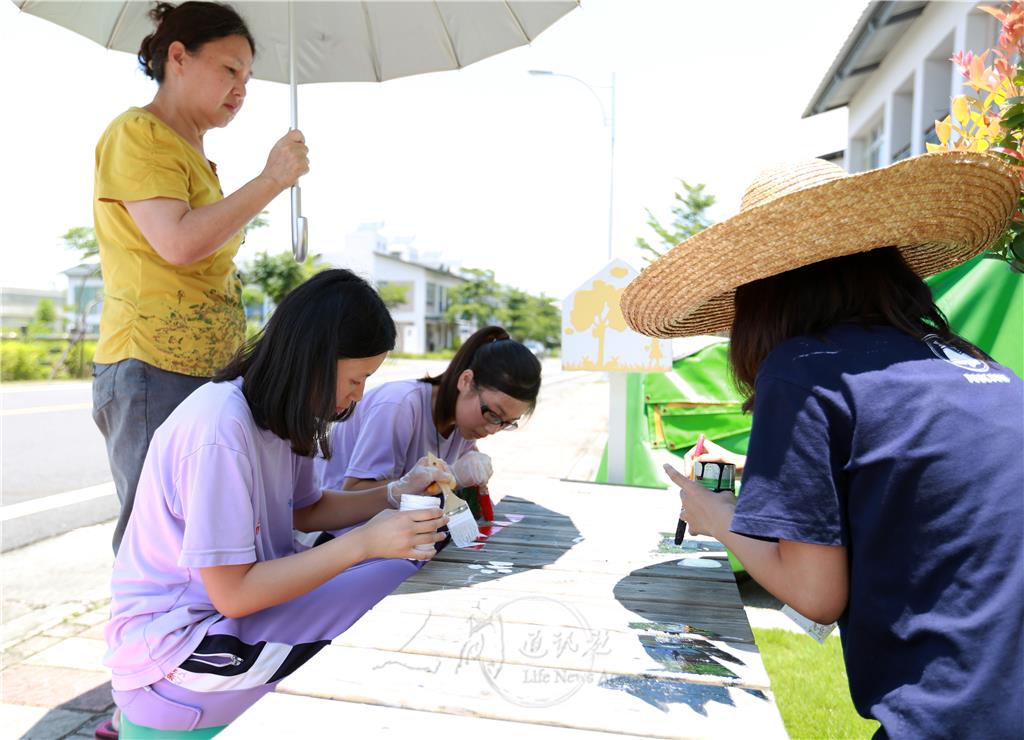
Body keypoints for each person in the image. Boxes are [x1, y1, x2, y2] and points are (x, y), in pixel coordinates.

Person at [621, 152, 1024, 739]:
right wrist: (756, 475)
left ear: (764, 293)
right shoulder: (975, 366)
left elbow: (816, 595)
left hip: (954, 716)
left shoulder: (804, 368)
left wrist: (715, 514)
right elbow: (915, 485)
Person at [104, 270, 453, 732]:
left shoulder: (275, 412)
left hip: (220, 623)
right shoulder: (219, 431)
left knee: (410, 560)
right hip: (177, 653)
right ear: (315, 359)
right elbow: (234, 593)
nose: (358, 395)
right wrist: (365, 543)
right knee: (391, 576)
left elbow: (306, 509)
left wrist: (396, 492)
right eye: (356, 378)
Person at [91, 1, 309, 555]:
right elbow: (180, 242)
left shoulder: (196, 156)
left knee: (208, 534)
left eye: (248, 78)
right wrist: (272, 179)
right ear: (179, 57)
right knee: (157, 538)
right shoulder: (138, 133)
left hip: (208, 373)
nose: (241, 89)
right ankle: (149, 643)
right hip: (153, 367)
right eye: (230, 70)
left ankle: (198, 640)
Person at [315, 325, 542, 502]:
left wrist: (469, 478)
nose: (493, 429)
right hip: (329, 535)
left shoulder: (465, 426)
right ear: (466, 380)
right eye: (493, 414)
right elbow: (354, 492)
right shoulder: (400, 406)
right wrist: (450, 476)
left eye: (506, 423)